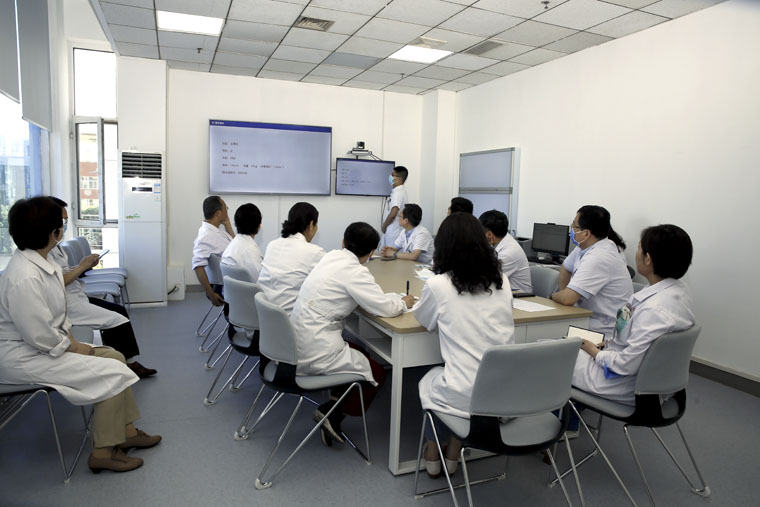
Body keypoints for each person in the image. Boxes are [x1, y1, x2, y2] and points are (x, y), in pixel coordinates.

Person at [0, 197, 161, 473]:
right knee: (113, 372)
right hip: (22, 357)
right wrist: (74, 347)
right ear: (54, 233)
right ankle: (103, 452)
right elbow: (39, 336)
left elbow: (54, 319)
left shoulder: (40, 264)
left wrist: (72, 342)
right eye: (61, 225)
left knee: (115, 356)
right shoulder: (24, 277)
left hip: (42, 347)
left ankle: (127, 432)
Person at [291, 222, 415, 445]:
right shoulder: (356, 272)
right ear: (372, 253)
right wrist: (403, 302)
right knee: (377, 372)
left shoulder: (330, 257)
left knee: (361, 352)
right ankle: (333, 415)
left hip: (296, 340)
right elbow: (384, 307)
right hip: (315, 348)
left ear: (343, 242)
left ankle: (333, 405)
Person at [415, 213, 515, 478]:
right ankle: (453, 453)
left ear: (443, 247)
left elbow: (424, 321)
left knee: (429, 380)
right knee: (457, 378)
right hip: (504, 393)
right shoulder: (502, 280)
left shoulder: (438, 284)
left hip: (465, 392)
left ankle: (432, 452)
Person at [572, 224, 695, 405]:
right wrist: (608, 344)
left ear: (648, 259)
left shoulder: (653, 310)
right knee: (564, 350)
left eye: (639, 248)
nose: (636, 253)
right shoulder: (678, 292)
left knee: (554, 356)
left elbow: (625, 365)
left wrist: (594, 352)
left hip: (627, 385)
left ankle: (564, 416)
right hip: (655, 382)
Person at [47, 197, 156, 378]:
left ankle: (125, 362)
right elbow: (57, 281)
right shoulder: (44, 254)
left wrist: (84, 265)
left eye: (66, 220)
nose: (64, 225)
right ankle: (122, 365)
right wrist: (82, 266)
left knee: (118, 310)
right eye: (62, 221)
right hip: (68, 304)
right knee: (117, 319)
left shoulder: (55, 247)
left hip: (75, 296)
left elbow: (63, 272)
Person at [550, 205, 633, 338]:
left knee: (542, 337)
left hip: (602, 330)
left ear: (586, 233)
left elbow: (567, 299)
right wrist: (564, 294)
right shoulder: (585, 247)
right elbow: (566, 267)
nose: (572, 230)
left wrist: (554, 296)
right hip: (585, 318)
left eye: (574, 226)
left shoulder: (599, 256)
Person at [257, 202, 325, 315]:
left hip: (263, 315)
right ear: (311, 225)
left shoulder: (272, 245)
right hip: (289, 319)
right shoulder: (314, 252)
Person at [192, 196, 234, 307]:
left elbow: (235, 246)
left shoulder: (216, 230)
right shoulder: (206, 235)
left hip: (231, 278)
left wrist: (227, 224)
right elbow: (198, 265)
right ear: (218, 213)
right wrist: (211, 294)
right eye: (226, 208)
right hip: (227, 283)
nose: (227, 211)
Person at [479, 209, 532, 293]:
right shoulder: (499, 241)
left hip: (519, 296)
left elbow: (486, 279)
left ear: (489, 235)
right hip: (503, 293)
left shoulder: (509, 253)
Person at [221, 203, 263, 282]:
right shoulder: (250, 249)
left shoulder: (234, 243)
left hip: (231, 289)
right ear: (259, 225)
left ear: (236, 224)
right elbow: (260, 280)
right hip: (248, 289)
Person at [380, 166, 409, 248]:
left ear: (399, 179)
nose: (390, 177)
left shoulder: (398, 193)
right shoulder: (400, 191)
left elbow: (393, 214)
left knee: (389, 252)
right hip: (394, 229)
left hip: (393, 231)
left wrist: (384, 225)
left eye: (393, 175)